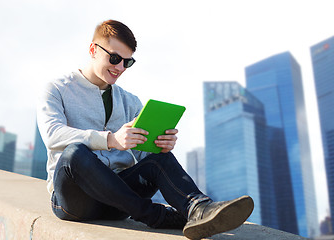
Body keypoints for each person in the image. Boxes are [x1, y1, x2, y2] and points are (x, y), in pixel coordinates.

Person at [37, 19, 254, 240]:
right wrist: (110, 140)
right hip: (75, 202)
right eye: (114, 58)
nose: (120, 68)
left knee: (161, 160)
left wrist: (159, 146)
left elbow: (143, 154)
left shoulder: (130, 102)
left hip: (118, 202)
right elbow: (52, 135)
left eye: (127, 62)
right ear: (93, 49)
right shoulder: (57, 89)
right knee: (74, 153)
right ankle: (157, 216)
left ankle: (199, 209)